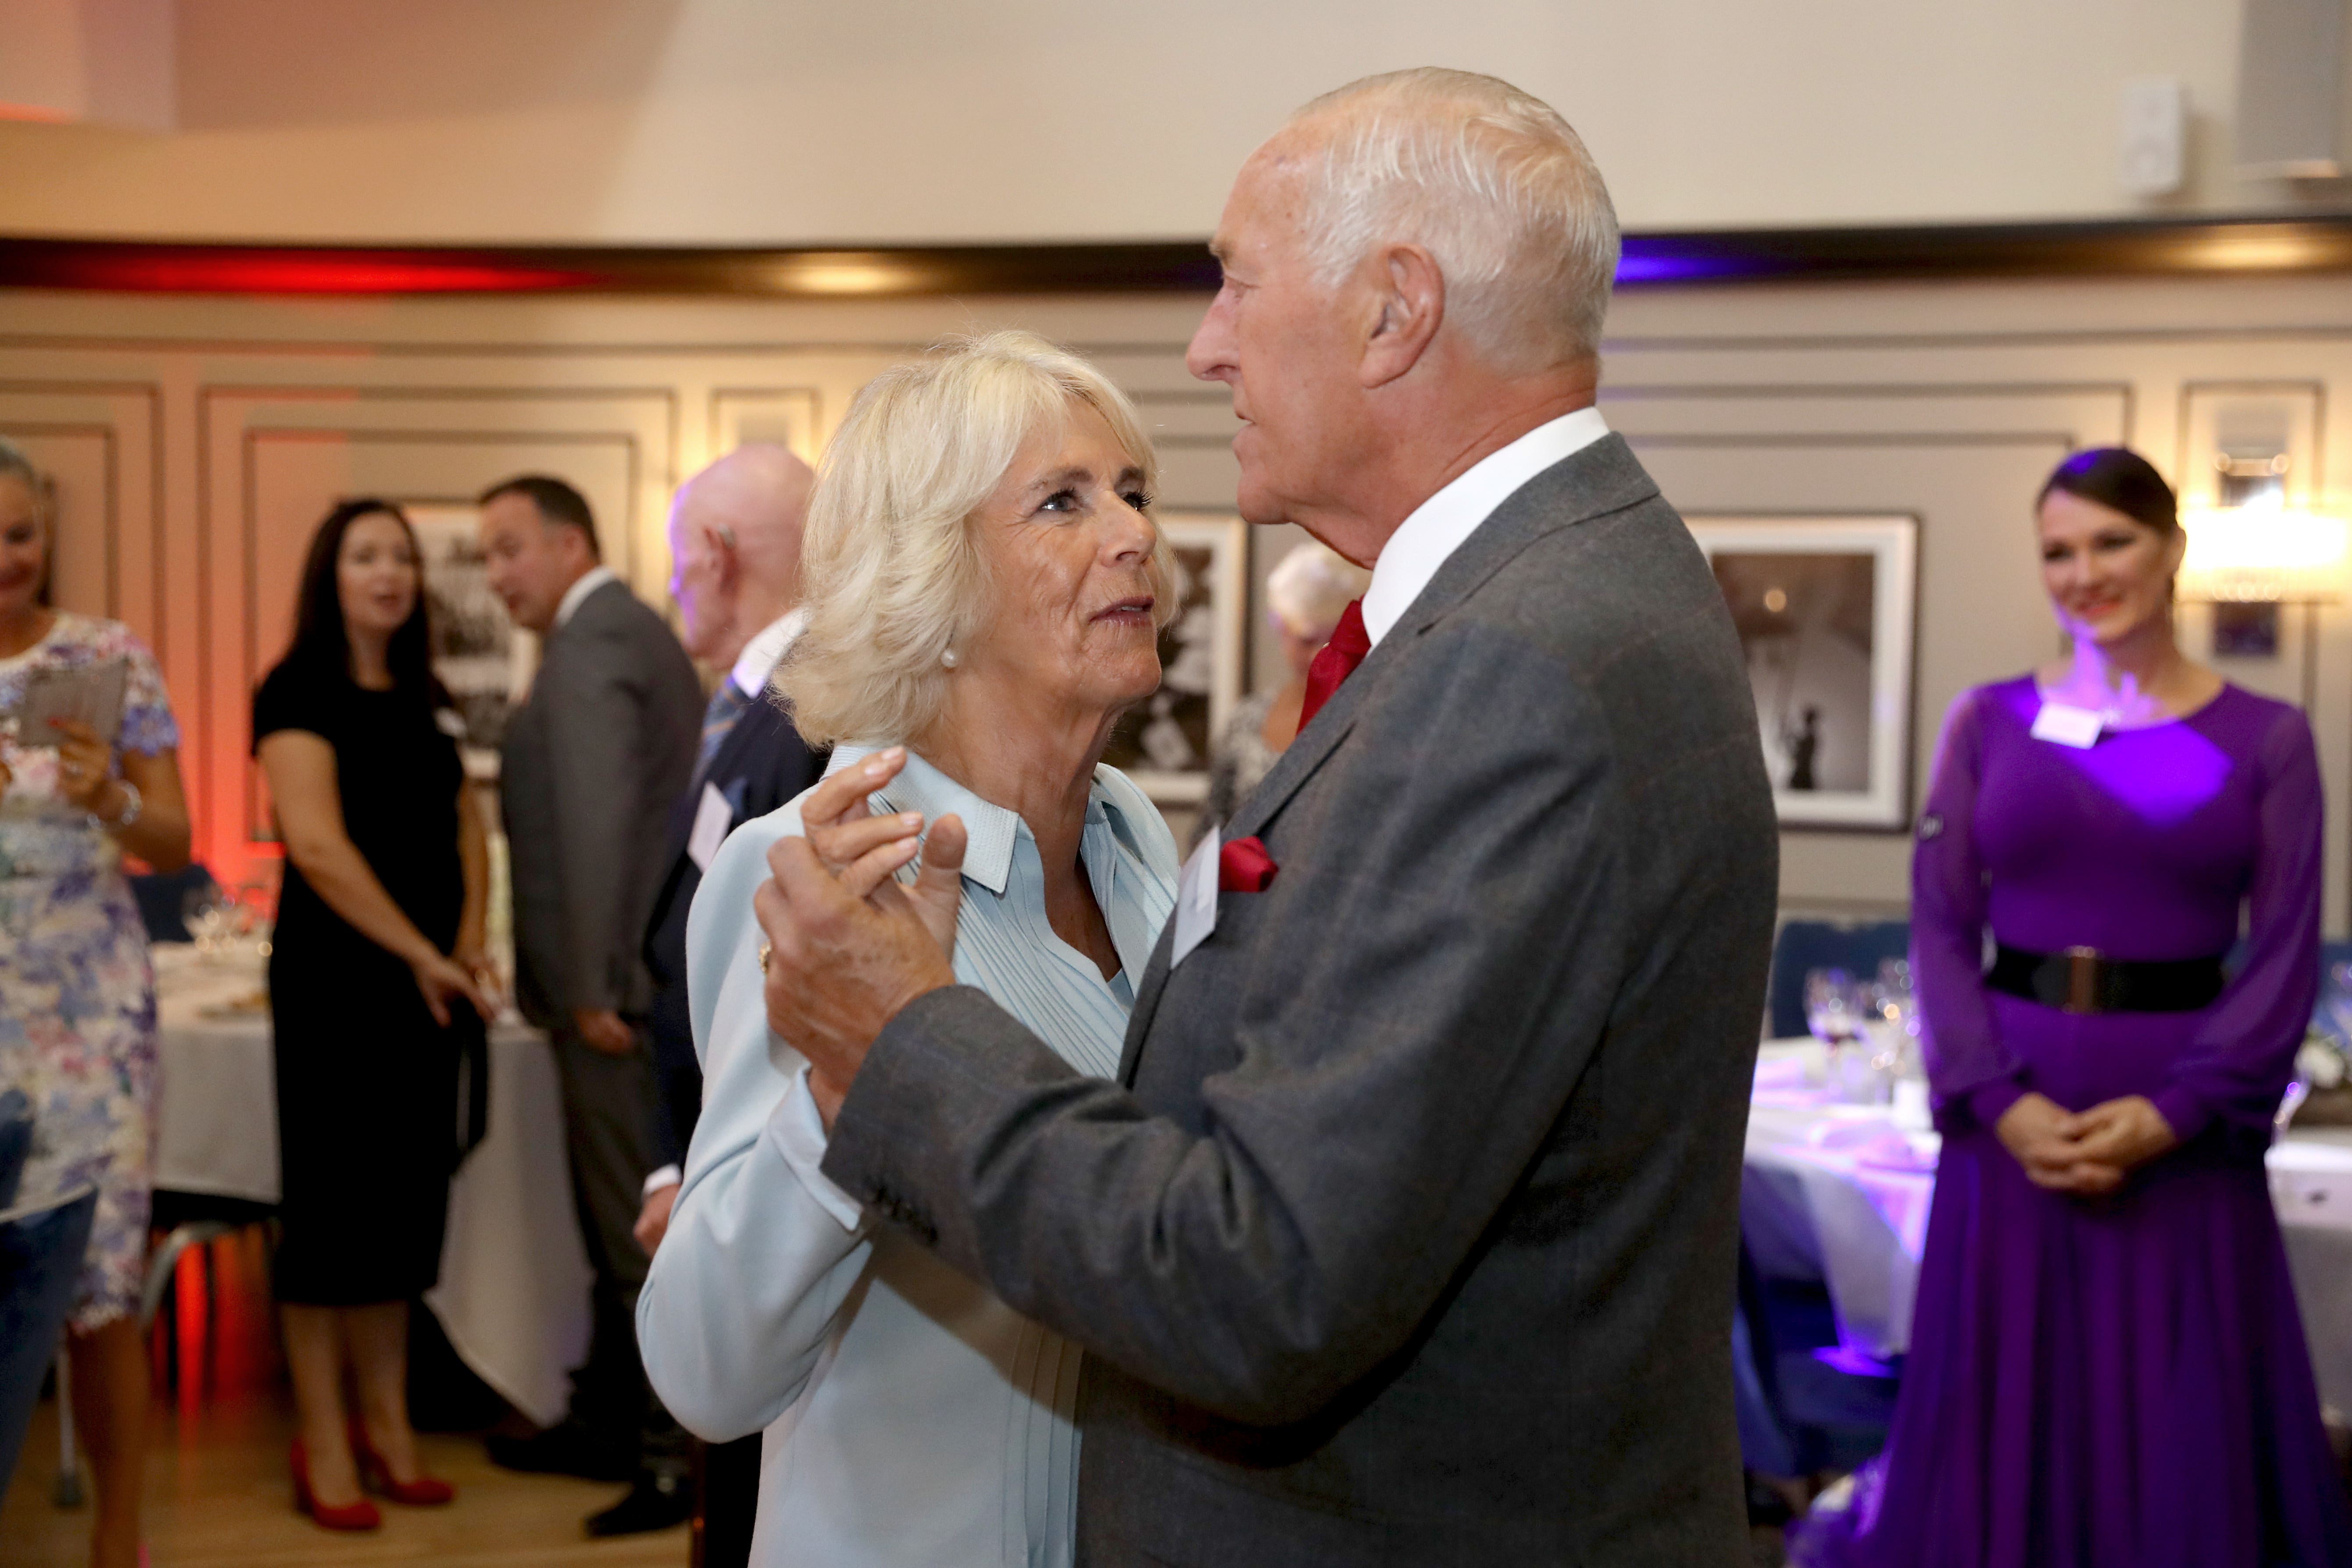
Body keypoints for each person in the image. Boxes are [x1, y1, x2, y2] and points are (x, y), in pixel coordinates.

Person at [747, 69, 1779, 1565]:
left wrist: (901, 1037)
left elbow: (1265, 1278)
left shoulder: (1511, 668)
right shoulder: (1561, 594)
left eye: (1234, 283)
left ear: (1392, 310)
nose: (1204, 345)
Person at [636, 331, 1181, 1566]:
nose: (1134, 532)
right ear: (930, 588)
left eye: (1131, 490)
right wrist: (851, 1088)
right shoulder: (820, 873)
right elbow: (705, 1366)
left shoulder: (1133, 837)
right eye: (1062, 501)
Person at [1790, 448, 2352, 1568]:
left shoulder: (2269, 738)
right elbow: (1940, 925)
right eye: (2058, 549)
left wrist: (2183, 1111)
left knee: (2174, 1398)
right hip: (2015, 1116)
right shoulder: (1985, 722)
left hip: (2181, 1121)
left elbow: (2284, 951)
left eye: (2112, 541)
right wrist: (1996, 1099)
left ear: (2172, 551)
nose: (2083, 571)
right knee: (2002, 1394)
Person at [254, 498, 494, 1531]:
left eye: (400, 557)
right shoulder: (295, 690)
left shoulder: (427, 694)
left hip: (427, 988)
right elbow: (314, 847)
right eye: (366, 557)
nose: (388, 573)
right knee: (330, 1221)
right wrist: (422, 957)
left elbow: (466, 826)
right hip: (338, 989)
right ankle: (323, 1442)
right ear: (331, 576)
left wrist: (470, 942)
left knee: (400, 1213)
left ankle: (389, 1431)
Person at [478, 474, 702, 1534]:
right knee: (617, 1222)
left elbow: (605, 822)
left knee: (633, 1231)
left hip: (611, 1001)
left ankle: (665, 1461)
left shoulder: (594, 642)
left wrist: (600, 985)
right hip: (610, 988)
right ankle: (616, 1423)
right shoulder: (616, 632)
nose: (495, 576)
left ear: (571, 545)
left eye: (509, 549)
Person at [624, 443, 827, 1548]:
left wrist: (701, 1163)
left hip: (752, 1167)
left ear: (712, 551)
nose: (669, 590)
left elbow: (776, 970)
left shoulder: (812, 713)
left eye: (672, 562)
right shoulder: (757, 705)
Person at [0, 436, 192, 1568]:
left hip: (93, 1010)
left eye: (18, 534)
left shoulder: (106, 655)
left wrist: (109, 790)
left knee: (101, 1283)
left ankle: (119, 1542)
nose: (3, 558)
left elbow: (176, 842)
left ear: (46, 533)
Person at [1193, 539, 1369, 846]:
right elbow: (1211, 829)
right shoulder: (1248, 718)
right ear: (1280, 629)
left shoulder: (1381, 712)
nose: (1322, 654)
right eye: (1306, 640)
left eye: (1337, 639)